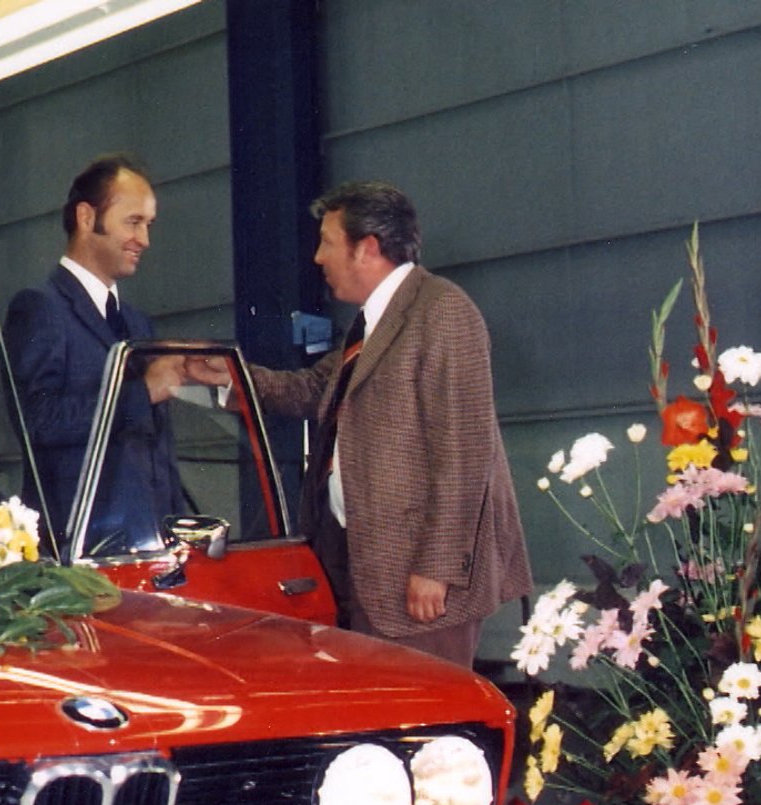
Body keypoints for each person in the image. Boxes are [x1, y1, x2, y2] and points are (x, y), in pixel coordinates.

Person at [216, 180, 530, 667]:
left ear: (367, 248)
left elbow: (466, 454)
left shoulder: (443, 312)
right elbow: (311, 390)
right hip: (365, 565)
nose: (318, 258)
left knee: (424, 727)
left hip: (420, 582)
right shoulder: (371, 323)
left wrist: (437, 570)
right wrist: (224, 376)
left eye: (326, 242)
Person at [6, 154, 187, 552]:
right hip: (81, 555)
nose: (145, 240)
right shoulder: (39, 308)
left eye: (148, 225)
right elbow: (38, 420)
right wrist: (142, 393)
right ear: (87, 218)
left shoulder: (139, 325)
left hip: (152, 548)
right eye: (133, 222)